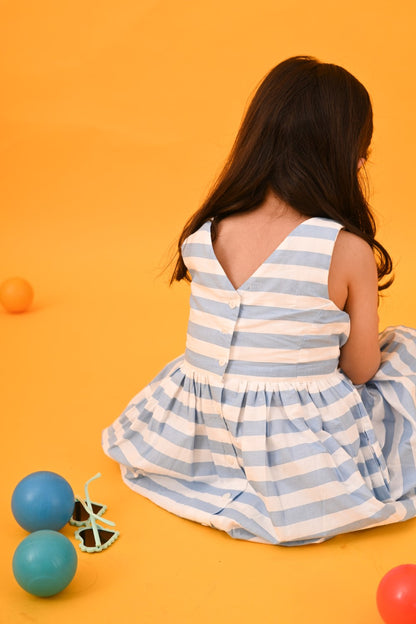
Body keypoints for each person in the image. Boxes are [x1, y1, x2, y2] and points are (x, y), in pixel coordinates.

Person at [102, 56, 416, 546]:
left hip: (202, 434)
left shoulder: (209, 232)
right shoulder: (343, 248)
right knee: (405, 353)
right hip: (294, 456)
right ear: (342, 155)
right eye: (362, 152)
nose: (361, 164)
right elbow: (359, 371)